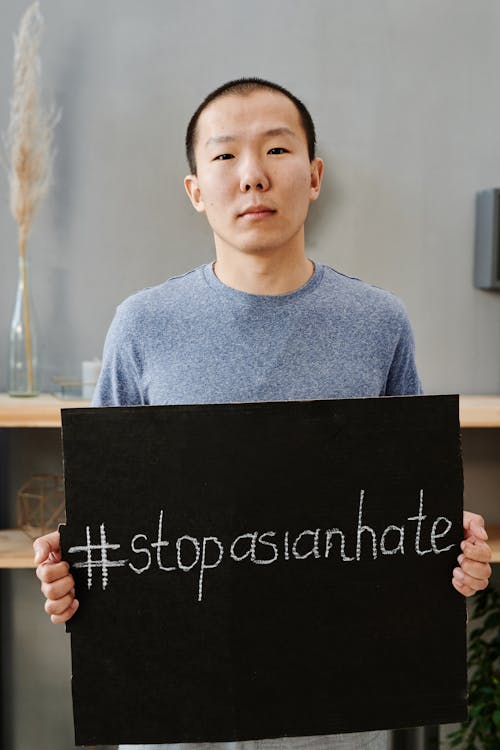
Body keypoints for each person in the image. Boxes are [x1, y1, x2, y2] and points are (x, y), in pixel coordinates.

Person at [34, 78, 492, 750]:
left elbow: (407, 507)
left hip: (334, 707)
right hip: (177, 710)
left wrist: (453, 554)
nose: (252, 176)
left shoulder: (378, 323)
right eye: (224, 157)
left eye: (277, 149)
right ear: (196, 190)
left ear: (313, 177)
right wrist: (72, 566)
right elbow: (117, 514)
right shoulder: (142, 325)